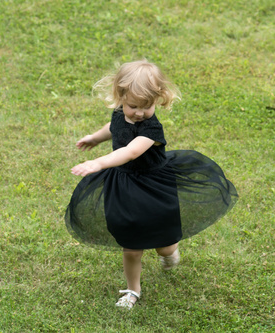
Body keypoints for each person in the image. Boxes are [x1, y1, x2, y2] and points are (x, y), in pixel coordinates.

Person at [65, 59, 237, 309]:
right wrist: (95, 137)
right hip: (124, 186)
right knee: (131, 245)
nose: (139, 113)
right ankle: (133, 289)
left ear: (158, 100)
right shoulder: (121, 113)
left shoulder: (151, 130)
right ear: (121, 97)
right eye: (133, 106)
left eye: (147, 107)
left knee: (163, 246)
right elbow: (114, 126)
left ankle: (170, 252)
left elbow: (131, 152)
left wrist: (100, 162)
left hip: (154, 187)